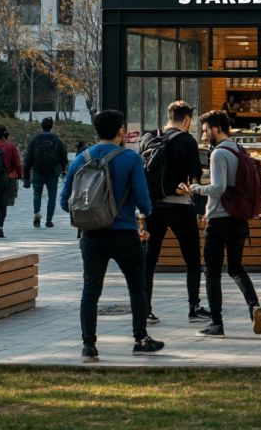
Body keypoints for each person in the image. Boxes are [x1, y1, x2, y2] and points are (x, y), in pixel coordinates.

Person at [60, 109, 164, 362]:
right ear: (120, 131)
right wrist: (146, 214)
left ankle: (89, 346)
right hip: (124, 233)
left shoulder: (81, 158)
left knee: (90, 290)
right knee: (136, 287)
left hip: (92, 236)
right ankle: (140, 339)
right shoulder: (130, 158)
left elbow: (65, 201)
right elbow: (143, 199)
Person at [188, 110, 261, 337]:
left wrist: (196, 189)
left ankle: (217, 324)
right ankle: (254, 306)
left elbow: (218, 188)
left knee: (212, 272)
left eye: (205, 130)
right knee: (236, 267)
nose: (203, 135)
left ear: (214, 129)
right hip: (239, 220)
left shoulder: (218, 154)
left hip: (219, 222)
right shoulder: (238, 149)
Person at [139, 101, 211, 326]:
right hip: (180, 206)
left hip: (154, 208)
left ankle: (145, 309)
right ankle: (193, 307)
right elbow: (195, 173)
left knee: (149, 260)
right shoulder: (187, 140)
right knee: (191, 259)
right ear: (187, 120)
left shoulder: (149, 137)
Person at [23, 116, 68, 229]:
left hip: (37, 172)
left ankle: (37, 214)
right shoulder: (56, 140)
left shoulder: (35, 139)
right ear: (51, 126)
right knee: (52, 197)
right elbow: (64, 158)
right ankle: (49, 221)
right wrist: (63, 171)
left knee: (37, 194)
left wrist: (26, 177)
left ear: (41, 126)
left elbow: (28, 159)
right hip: (52, 173)